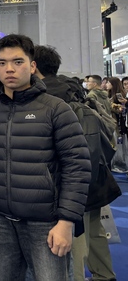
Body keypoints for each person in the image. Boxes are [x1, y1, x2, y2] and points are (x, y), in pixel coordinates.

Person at [0, 34, 91, 281]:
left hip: (45, 223)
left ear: (32, 66)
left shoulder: (56, 109)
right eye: (2, 63)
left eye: (18, 62)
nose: (9, 69)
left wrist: (66, 221)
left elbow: (77, 167)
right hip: (0, 220)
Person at [33, 45, 119, 281]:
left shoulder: (46, 100)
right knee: (95, 231)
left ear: (33, 67)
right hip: (96, 176)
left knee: (75, 243)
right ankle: (105, 275)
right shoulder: (74, 90)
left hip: (70, 184)